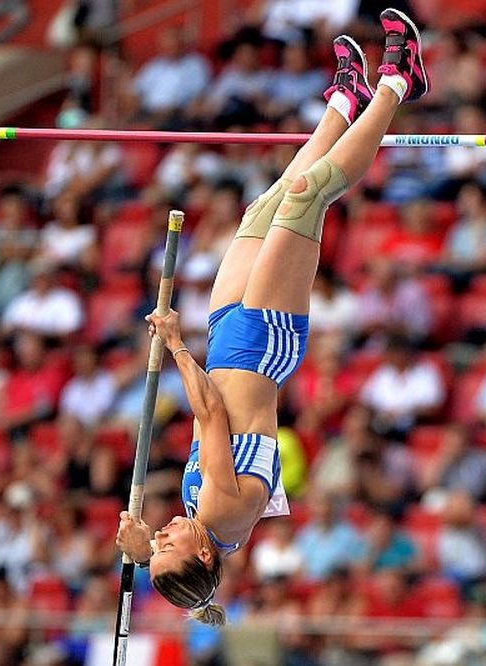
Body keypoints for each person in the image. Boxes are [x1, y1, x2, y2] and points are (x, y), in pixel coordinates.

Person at [116, 12, 430, 626]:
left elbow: (171, 529)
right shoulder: (223, 513)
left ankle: (346, 99)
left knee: (264, 207)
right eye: (167, 546)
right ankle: (399, 82)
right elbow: (209, 413)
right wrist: (177, 343)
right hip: (262, 347)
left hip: (231, 340)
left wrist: (138, 548)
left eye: (155, 546)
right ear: (203, 553)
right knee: (308, 194)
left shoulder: (206, 525)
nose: (161, 536)